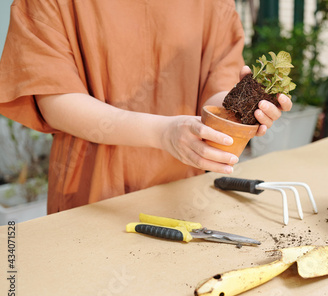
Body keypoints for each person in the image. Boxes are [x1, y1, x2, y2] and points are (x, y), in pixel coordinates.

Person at [0, 0, 292, 214]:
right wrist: (162, 133)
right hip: (90, 192)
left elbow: (215, 92)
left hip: (178, 189)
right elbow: (54, 99)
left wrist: (245, 110)